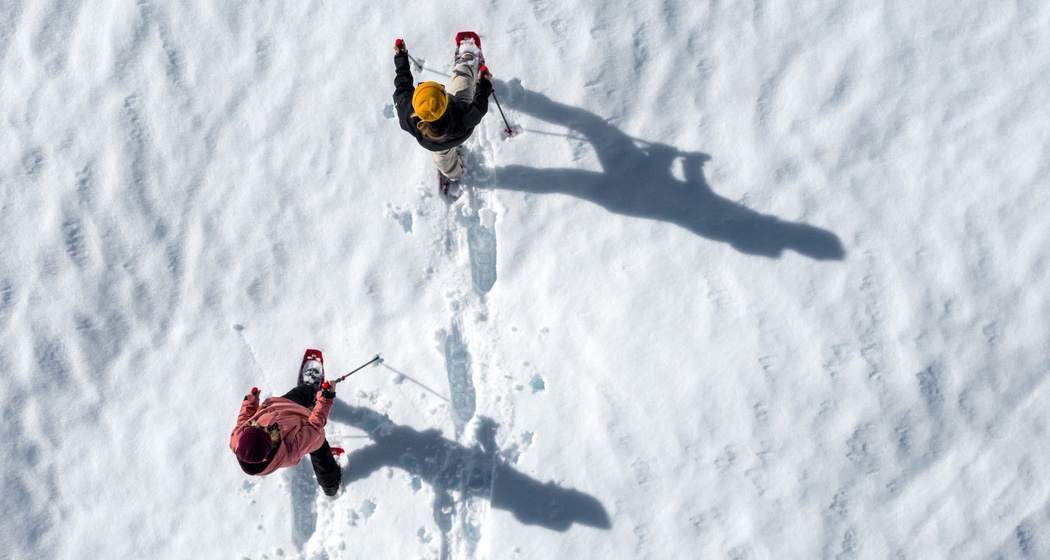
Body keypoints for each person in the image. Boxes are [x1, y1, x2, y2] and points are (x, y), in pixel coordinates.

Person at [393, 35, 493, 185]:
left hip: (438, 146)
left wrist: (401, 58)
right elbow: (479, 106)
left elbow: (402, 85)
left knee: (444, 161)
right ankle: (466, 64)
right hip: (460, 127)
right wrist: (484, 85)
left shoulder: (407, 113)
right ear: (446, 100)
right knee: (463, 82)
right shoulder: (463, 116)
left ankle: (455, 173)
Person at [230, 366, 342, 496]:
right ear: (270, 443)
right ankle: (331, 485)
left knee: (299, 394)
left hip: (279, 406)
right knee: (321, 453)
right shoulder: (291, 447)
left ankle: (311, 389)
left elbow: (243, 420)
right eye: (264, 430)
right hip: (302, 423)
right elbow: (315, 426)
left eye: (254, 426)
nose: (261, 425)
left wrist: (249, 403)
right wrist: (326, 399)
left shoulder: (236, 440)